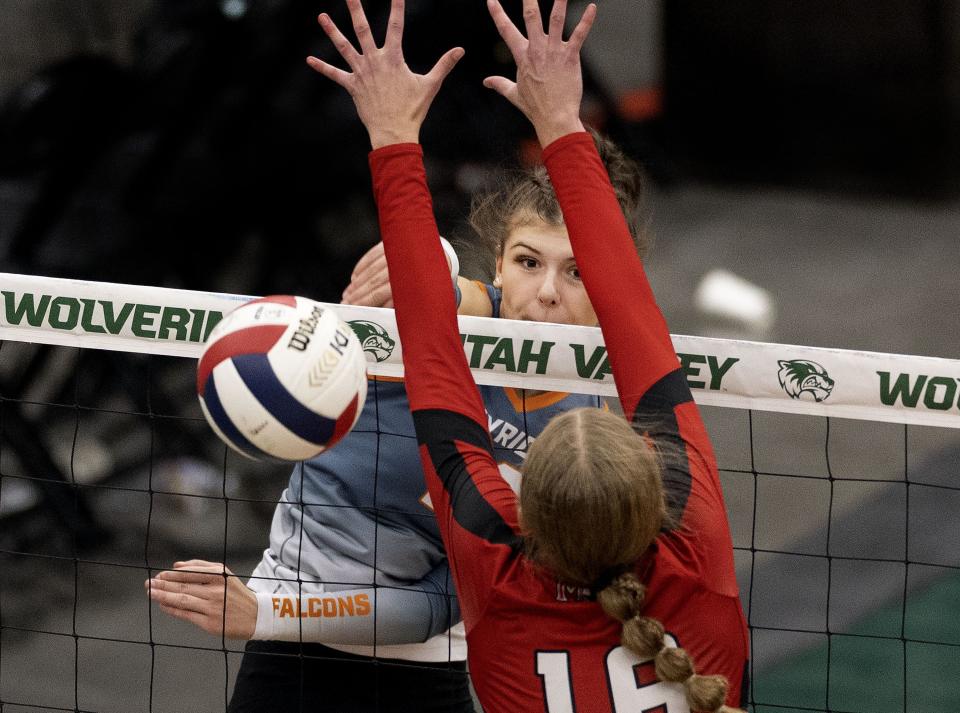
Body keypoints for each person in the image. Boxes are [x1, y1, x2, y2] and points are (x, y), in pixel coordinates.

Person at [144, 3, 647, 712]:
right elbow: (435, 290)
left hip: (427, 674)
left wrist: (264, 611)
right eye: (529, 262)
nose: (546, 294)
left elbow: (439, 605)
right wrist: (429, 265)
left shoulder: (585, 441)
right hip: (289, 664)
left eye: (577, 271)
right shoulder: (427, 327)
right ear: (499, 264)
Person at [307, 0, 751, 710]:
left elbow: (429, 354)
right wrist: (562, 123)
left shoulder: (500, 578)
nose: (547, 292)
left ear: (525, 513)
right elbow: (631, 322)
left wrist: (393, 134)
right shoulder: (696, 558)